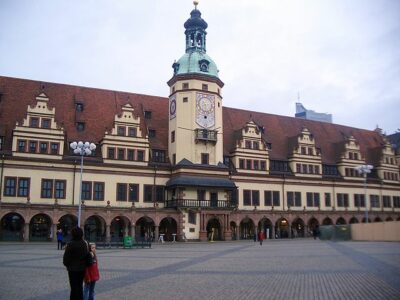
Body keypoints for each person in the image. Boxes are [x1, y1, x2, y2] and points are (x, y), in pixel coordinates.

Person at [63, 227, 90, 300]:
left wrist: (67, 265)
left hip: (72, 269)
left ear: (73, 234)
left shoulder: (71, 244)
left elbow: (66, 259)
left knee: (74, 287)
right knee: (80, 286)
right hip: (82, 268)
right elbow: (87, 255)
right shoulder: (85, 243)